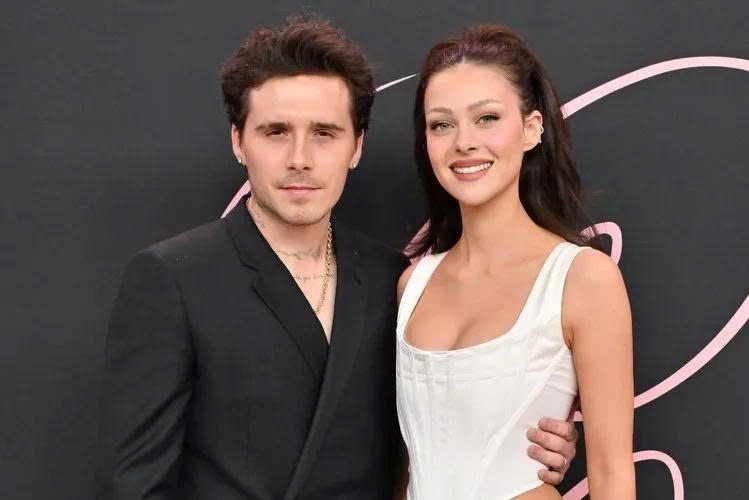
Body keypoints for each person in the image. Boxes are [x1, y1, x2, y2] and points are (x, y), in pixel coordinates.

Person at [97, 14, 579, 500]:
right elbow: (136, 486)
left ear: (356, 146)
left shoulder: (395, 280)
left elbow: (437, 427)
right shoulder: (174, 279)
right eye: (276, 132)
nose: (300, 159)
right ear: (238, 141)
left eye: (325, 133)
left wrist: (528, 437)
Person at [396, 25, 635, 499]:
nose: (463, 142)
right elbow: (407, 470)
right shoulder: (412, 284)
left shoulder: (582, 279)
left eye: (487, 118)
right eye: (441, 124)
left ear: (531, 128)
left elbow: (612, 475)